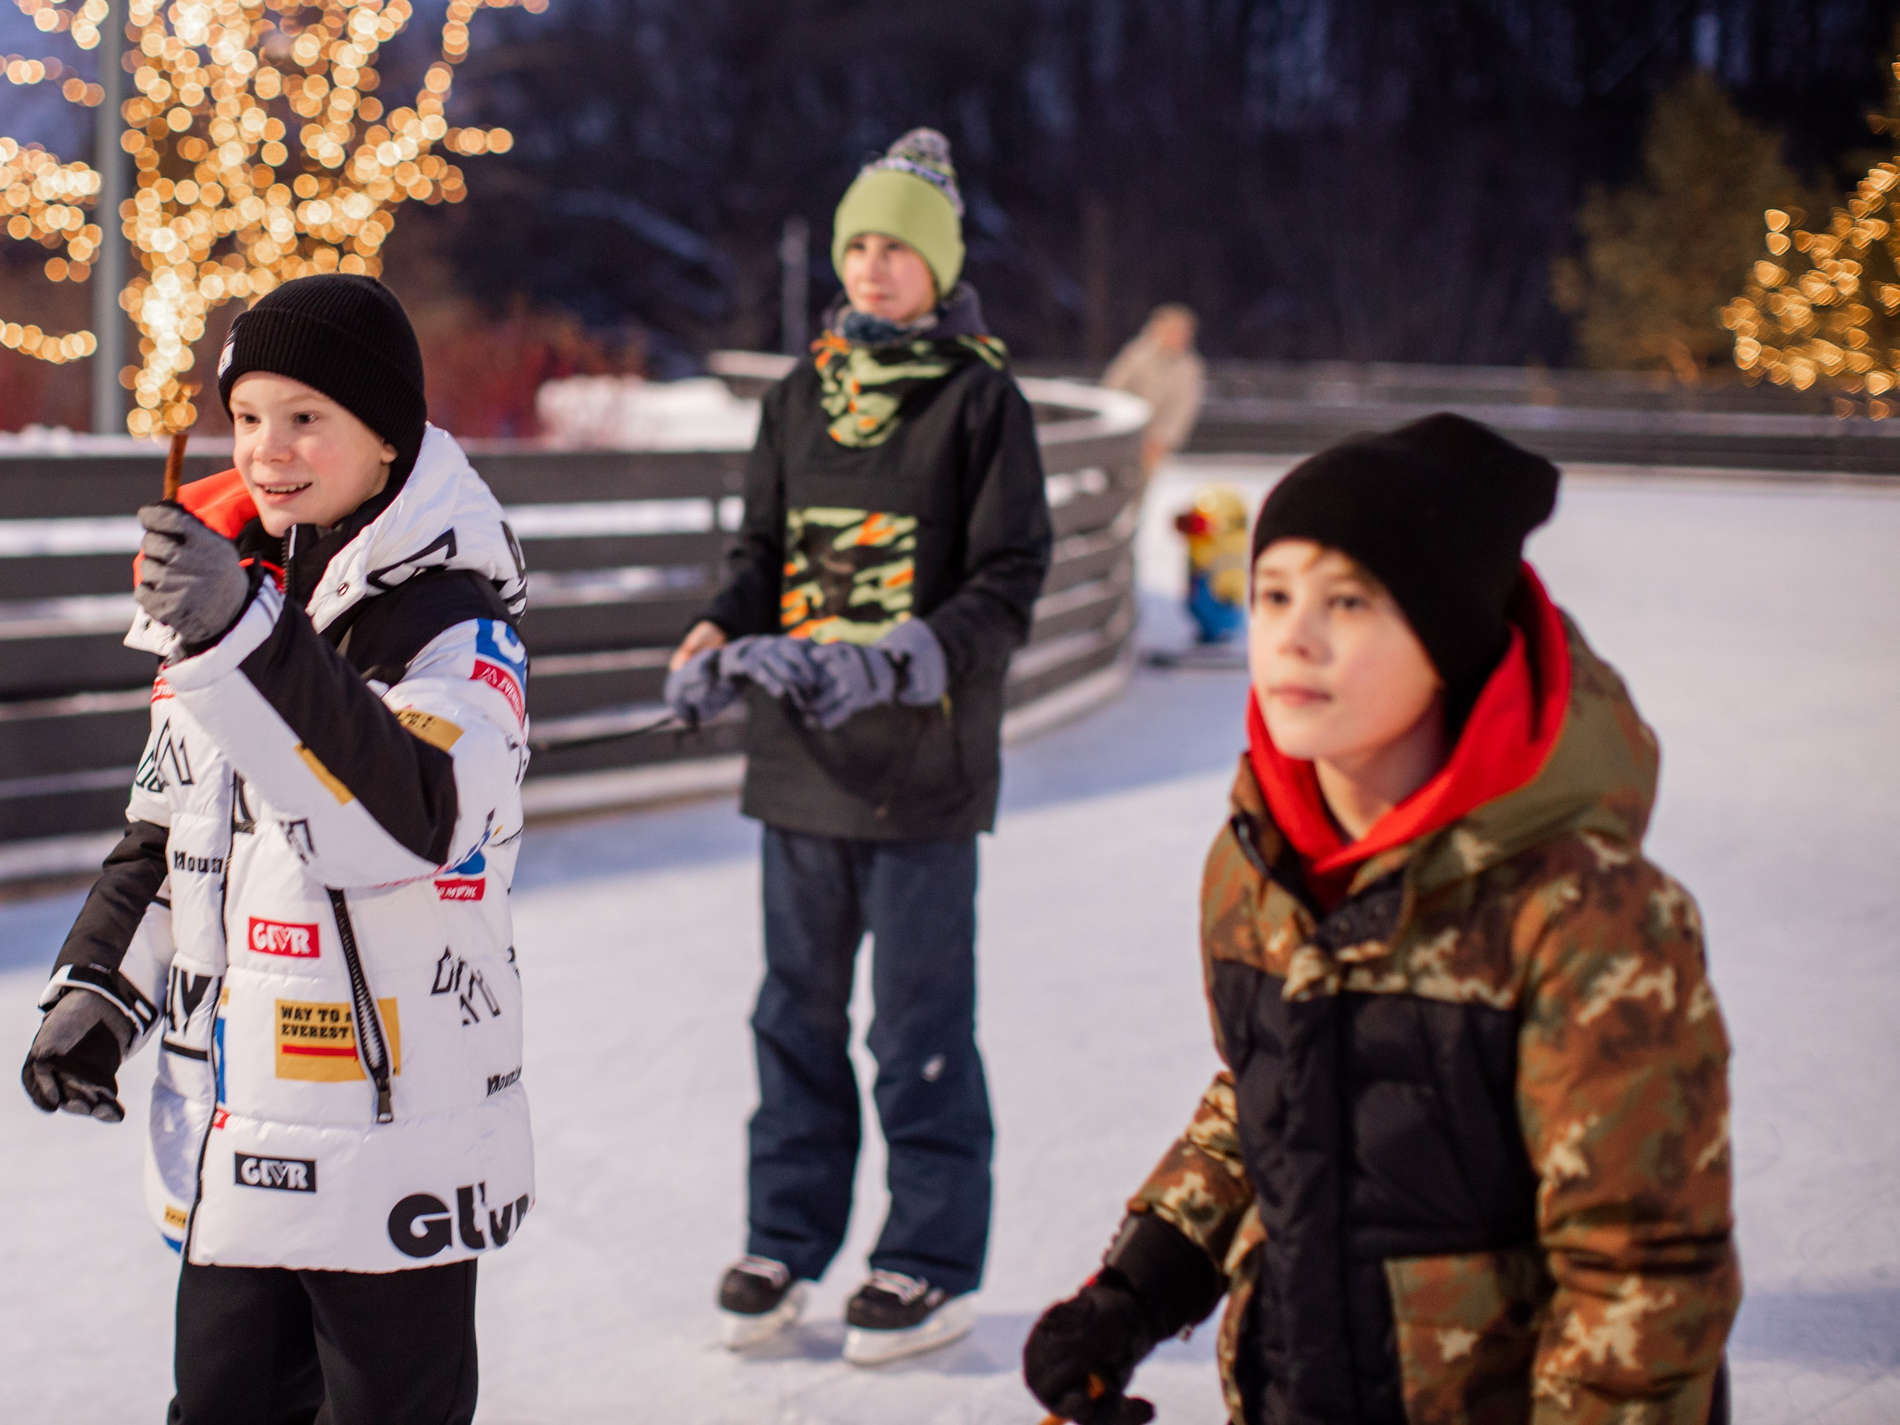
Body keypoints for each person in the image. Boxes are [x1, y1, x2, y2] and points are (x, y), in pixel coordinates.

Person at [1021, 414, 1738, 1425]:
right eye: (1273, 595)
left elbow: (1643, 1275)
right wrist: (1134, 1291)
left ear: (1447, 639)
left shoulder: (1582, 916)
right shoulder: (1254, 865)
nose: (1292, 637)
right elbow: (1265, 1099)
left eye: (1348, 602)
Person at [20, 275, 533, 1425]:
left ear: (388, 434)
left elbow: (407, 819)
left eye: (307, 417)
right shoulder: (239, 589)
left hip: (397, 1136)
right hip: (235, 1123)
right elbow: (168, 827)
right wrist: (102, 986)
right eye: (248, 416)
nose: (268, 449)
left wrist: (240, 642)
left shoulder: (452, 623)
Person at [665, 127, 1052, 1365]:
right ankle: (785, 1236)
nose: (875, 267)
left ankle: (926, 1258)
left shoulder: (982, 403)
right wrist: (716, 634)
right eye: (859, 246)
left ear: (940, 265)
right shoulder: (798, 394)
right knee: (794, 1013)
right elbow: (758, 557)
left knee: (919, 1025)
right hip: (796, 766)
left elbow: (1008, 578)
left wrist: (904, 657)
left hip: (921, 775)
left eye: (899, 248)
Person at [1101, 303, 1205, 474]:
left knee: (1142, 485)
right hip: (1123, 433)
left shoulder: (1188, 368)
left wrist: (1161, 440)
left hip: (1154, 443)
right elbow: (1113, 388)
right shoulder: (1137, 355)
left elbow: (1182, 410)